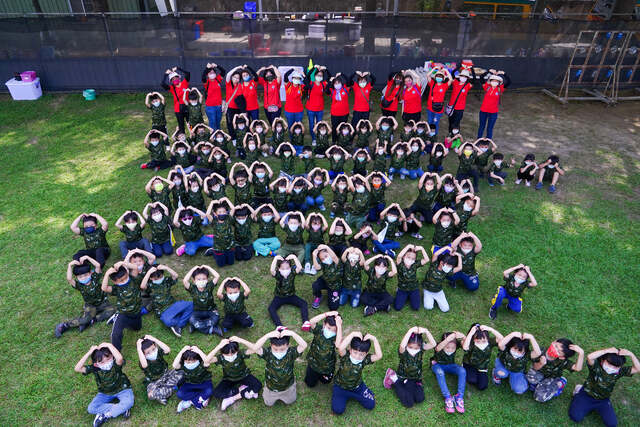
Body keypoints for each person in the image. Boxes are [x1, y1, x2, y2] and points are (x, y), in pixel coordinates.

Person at [569, 347, 639, 426]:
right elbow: (590, 357)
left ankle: (593, 405)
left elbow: (637, 369)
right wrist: (606, 351)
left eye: (616, 366)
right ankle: (578, 390)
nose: (612, 368)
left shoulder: (619, 372)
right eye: (609, 364)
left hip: (603, 400)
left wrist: (631, 354)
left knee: (612, 424)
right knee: (575, 417)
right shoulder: (596, 367)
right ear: (602, 361)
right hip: (586, 395)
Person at [74, 342, 134, 427]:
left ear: (112, 356)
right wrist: (89, 352)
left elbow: (120, 358)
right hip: (104, 393)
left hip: (123, 389)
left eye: (108, 358)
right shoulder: (95, 368)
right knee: (91, 408)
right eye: (102, 362)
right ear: (96, 364)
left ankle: (106, 415)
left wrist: (109, 345)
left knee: (129, 402)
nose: (106, 363)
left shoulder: (115, 364)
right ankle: (121, 408)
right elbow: (77, 368)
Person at [55, 257, 115, 338]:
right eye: (80, 277)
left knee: (112, 311)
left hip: (103, 303)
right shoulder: (79, 285)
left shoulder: (95, 278)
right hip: (90, 305)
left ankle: (91, 321)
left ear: (90, 273)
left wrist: (87, 258)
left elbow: (97, 266)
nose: (83, 278)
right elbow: (69, 279)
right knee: (86, 318)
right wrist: (69, 265)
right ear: (77, 278)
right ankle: (65, 325)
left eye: (85, 275)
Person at [251, 328, 308, 406]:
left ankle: (293, 386)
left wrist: (293, 334)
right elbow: (255, 348)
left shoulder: (291, 353)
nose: (278, 352)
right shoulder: (268, 352)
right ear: (271, 346)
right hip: (271, 387)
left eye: (282, 349)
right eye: (275, 349)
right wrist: (267, 336)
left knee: (290, 401)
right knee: (268, 403)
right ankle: (267, 390)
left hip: (287, 387)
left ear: (287, 346)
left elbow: (304, 345)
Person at [383, 326, 437, 408]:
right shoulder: (403, 351)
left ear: (420, 347)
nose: (413, 350)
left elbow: (433, 344)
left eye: (416, 348)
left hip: (415, 379)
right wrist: (410, 331)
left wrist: (426, 331)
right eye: (411, 347)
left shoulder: (421, 349)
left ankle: (412, 385)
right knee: (409, 403)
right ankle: (394, 379)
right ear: (407, 345)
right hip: (403, 377)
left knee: (420, 399)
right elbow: (402, 346)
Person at [332, 332, 382, 414]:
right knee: (338, 410)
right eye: (355, 352)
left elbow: (379, 356)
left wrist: (374, 339)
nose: (357, 356)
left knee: (371, 405)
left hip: (357, 388)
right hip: (340, 387)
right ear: (350, 350)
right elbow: (340, 348)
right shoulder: (345, 356)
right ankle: (348, 395)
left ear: (365, 354)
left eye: (361, 354)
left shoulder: (364, 360)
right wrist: (352, 334)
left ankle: (361, 392)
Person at [207, 337, 262, 410]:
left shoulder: (240, 354)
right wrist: (219, 346)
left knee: (258, 385)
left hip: (244, 375)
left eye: (233, 353)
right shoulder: (220, 358)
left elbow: (256, 349)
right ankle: (243, 390)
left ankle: (233, 398)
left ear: (237, 350)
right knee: (216, 393)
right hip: (229, 379)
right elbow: (207, 360)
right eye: (227, 354)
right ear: (222, 352)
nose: (230, 356)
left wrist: (241, 340)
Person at [141, 265, 193, 337]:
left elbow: (175, 276)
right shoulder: (150, 285)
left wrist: (166, 268)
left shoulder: (166, 281)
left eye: (161, 277)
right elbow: (142, 286)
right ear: (151, 278)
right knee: (168, 322)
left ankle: (178, 325)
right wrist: (148, 273)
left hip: (173, 305)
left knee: (192, 305)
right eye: (156, 279)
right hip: (162, 311)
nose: (159, 279)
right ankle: (183, 320)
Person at [527, 338, 584, 402]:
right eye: (556, 346)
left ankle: (560, 383)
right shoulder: (540, 351)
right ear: (553, 342)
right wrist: (541, 363)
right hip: (539, 372)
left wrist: (581, 353)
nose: (554, 349)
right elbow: (535, 368)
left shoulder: (563, 361)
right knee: (530, 378)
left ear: (562, 357)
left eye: (558, 352)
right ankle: (539, 385)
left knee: (539, 397)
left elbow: (577, 368)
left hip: (552, 378)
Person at [101, 262, 141, 351]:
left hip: (136, 312)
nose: (125, 281)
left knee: (137, 328)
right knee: (116, 333)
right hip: (123, 313)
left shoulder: (133, 280)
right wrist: (107, 274)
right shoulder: (116, 288)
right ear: (115, 282)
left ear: (127, 273)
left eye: (126, 278)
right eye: (121, 280)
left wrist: (122, 263)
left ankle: (116, 317)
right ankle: (116, 352)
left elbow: (135, 267)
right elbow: (104, 288)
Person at [136, 335, 184, 405]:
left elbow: (167, 350)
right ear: (143, 355)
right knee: (151, 395)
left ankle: (166, 390)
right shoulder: (144, 361)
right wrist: (138, 348)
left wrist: (155, 339)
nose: (152, 353)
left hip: (166, 374)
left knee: (182, 372)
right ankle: (171, 387)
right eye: (148, 353)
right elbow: (144, 365)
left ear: (155, 346)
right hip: (154, 382)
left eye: (153, 349)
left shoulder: (158, 353)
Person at [268, 255, 311, 330]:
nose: (285, 270)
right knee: (271, 308)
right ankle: (279, 326)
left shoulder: (292, 273)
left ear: (290, 268)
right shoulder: (278, 274)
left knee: (303, 303)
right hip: (279, 297)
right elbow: (272, 270)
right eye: (283, 268)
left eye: (287, 268)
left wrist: (294, 257)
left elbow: (299, 268)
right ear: (279, 269)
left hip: (291, 296)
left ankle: (306, 322)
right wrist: (275, 259)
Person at [430, 331, 467, 413]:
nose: (450, 350)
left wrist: (463, 336)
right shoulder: (439, 345)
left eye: (453, 348)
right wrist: (447, 339)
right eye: (447, 347)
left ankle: (459, 397)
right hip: (438, 365)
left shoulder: (456, 345)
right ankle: (448, 398)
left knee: (462, 371)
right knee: (440, 373)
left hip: (450, 365)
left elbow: (466, 346)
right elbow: (438, 348)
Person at [304, 311, 343, 388]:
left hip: (327, 367)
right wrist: (326, 314)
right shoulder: (319, 331)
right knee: (310, 384)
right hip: (313, 363)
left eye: (334, 330)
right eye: (328, 328)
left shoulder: (335, 337)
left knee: (326, 381)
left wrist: (339, 326)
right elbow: (311, 322)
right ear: (324, 324)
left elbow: (338, 344)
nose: (330, 331)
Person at [462, 324, 504, 391]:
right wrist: (471, 333)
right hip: (470, 364)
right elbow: (465, 348)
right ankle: (467, 370)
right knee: (472, 380)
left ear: (487, 339)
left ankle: (478, 373)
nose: (481, 343)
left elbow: (502, 339)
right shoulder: (470, 343)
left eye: (484, 341)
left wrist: (491, 329)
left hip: (482, 367)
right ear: (473, 339)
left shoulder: (490, 342)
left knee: (482, 386)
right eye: (478, 341)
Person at [183, 265, 223, 336]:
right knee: (191, 319)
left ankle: (196, 326)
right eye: (198, 279)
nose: (201, 281)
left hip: (211, 310)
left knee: (216, 318)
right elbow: (185, 281)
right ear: (194, 280)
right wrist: (193, 269)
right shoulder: (192, 288)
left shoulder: (209, 286)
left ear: (207, 280)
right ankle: (212, 329)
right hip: (197, 311)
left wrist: (208, 267)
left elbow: (217, 276)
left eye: (204, 279)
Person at [172, 345, 213, 412]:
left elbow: (207, 361)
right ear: (184, 361)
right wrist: (182, 351)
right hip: (189, 383)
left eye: (194, 361)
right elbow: (174, 365)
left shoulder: (201, 364)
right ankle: (200, 399)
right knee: (180, 394)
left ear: (198, 359)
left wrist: (199, 351)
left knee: (209, 391)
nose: (191, 363)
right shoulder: (183, 366)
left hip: (203, 383)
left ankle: (189, 402)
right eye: (188, 361)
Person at [422, 247, 461, 313]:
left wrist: (459, 256)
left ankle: (435, 299)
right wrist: (447, 247)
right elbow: (435, 254)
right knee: (428, 307)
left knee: (445, 309)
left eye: (451, 266)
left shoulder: (447, 271)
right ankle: (428, 297)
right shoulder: (434, 265)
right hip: (427, 289)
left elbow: (459, 267)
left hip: (438, 291)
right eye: (448, 265)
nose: (449, 267)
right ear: (441, 262)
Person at [477, 69, 511, 139]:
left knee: (490, 128)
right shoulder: (487, 86)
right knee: (481, 126)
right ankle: (478, 141)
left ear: (499, 82)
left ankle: (487, 143)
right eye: (493, 80)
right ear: (490, 81)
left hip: (493, 112)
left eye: (496, 81)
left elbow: (509, 82)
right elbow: (481, 78)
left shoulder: (500, 89)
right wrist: (488, 72)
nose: (494, 82)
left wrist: (504, 74)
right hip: (483, 111)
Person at [394, 244, 428, 311]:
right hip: (402, 289)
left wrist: (422, 248)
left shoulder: (415, 264)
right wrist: (408, 246)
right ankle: (402, 293)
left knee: (416, 307)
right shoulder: (400, 264)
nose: (410, 260)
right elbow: (399, 256)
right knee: (397, 307)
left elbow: (426, 260)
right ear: (404, 257)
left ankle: (411, 296)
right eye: (408, 257)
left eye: (413, 259)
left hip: (414, 288)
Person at [205, 199, 236, 267]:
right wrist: (212, 203)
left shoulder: (228, 219)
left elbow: (233, 209)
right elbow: (207, 214)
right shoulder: (214, 221)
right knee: (221, 265)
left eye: (224, 212)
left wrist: (226, 199)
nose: (222, 213)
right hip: (218, 248)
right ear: (215, 214)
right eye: (219, 212)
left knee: (231, 263)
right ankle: (213, 251)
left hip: (229, 246)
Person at [311, 245, 343, 310]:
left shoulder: (337, 261)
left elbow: (333, 256)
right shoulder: (324, 263)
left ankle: (334, 293)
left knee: (333, 307)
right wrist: (314, 256)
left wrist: (326, 247)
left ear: (329, 253)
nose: (325, 259)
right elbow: (317, 267)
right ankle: (318, 296)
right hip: (325, 281)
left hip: (335, 286)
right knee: (315, 285)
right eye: (322, 259)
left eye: (326, 256)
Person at [305, 65, 330, 143]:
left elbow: (329, 77)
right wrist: (314, 68)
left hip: (320, 109)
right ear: (315, 76)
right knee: (312, 124)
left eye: (321, 76)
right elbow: (307, 76)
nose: (319, 77)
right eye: (318, 75)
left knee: (319, 125)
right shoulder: (311, 84)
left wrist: (325, 69)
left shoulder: (323, 84)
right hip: (310, 109)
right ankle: (314, 139)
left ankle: (320, 138)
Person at [162, 66, 190, 133]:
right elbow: (162, 84)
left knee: (190, 123)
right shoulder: (172, 88)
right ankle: (182, 138)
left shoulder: (184, 83)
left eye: (175, 78)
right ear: (171, 81)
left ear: (179, 78)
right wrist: (166, 74)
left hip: (187, 106)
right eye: (172, 79)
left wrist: (178, 68)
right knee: (181, 125)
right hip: (178, 109)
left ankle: (193, 137)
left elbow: (188, 73)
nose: (175, 80)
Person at [425, 67, 452, 134]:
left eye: (440, 77)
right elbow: (427, 75)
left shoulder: (444, 86)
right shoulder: (432, 83)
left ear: (443, 79)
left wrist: (446, 70)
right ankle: (428, 136)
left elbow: (451, 80)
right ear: (435, 77)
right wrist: (434, 68)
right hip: (430, 107)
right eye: (437, 76)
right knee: (429, 122)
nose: (439, 78)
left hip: (439, 109)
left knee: (435, 123)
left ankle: (434, 136)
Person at [446, 68, 473, 134]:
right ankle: (450, 135)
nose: (463, 78)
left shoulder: (468, 85)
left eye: (465, 77)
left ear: (467, 78)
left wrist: (471, 68)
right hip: (452, 106)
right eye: (462, 76)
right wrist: (459, 66)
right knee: (451, 122)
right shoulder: (455, 82)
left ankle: (456, 137)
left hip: (460, 108)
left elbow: (474, 79)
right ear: (459, 76)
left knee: (456, 124)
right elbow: (452, 73)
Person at [224, 66, 246, 143]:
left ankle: (241, 136)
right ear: (232, 77)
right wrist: (237, 68)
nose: (236, 79)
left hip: (238, 108)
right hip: (230, 108)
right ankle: (233, 139)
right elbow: (228, 75)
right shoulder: (228, 84)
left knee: (239, 123)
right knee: (230, 123)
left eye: (238, 78)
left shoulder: (240, 86)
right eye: (235, 77)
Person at [326, 73, 350, 143]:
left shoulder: (345, 89)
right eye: (335, 83)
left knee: (343, 128)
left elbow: (349, 80)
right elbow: (326, 90)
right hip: (335, 113)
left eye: (338, 83)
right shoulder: (332, 91)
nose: (337, 84)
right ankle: (334, 141)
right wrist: (330, 81)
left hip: (344, 113)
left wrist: (342, 74)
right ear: (333, 85)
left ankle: (342, 140)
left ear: (341, 83)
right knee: (334, 128)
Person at [201, 62, 226, 130]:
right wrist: (207, 68)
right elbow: (203, 77)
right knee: (212, 122)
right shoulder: (207, 82)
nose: (212, 74)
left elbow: (223, 71)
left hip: (219, 106)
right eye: (210, 73)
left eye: (213, 73)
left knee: (218, 122)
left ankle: (218, 136)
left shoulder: (217, 79)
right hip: (210, 107)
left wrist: (217, 65)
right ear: (208, 75)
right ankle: (213, 136)